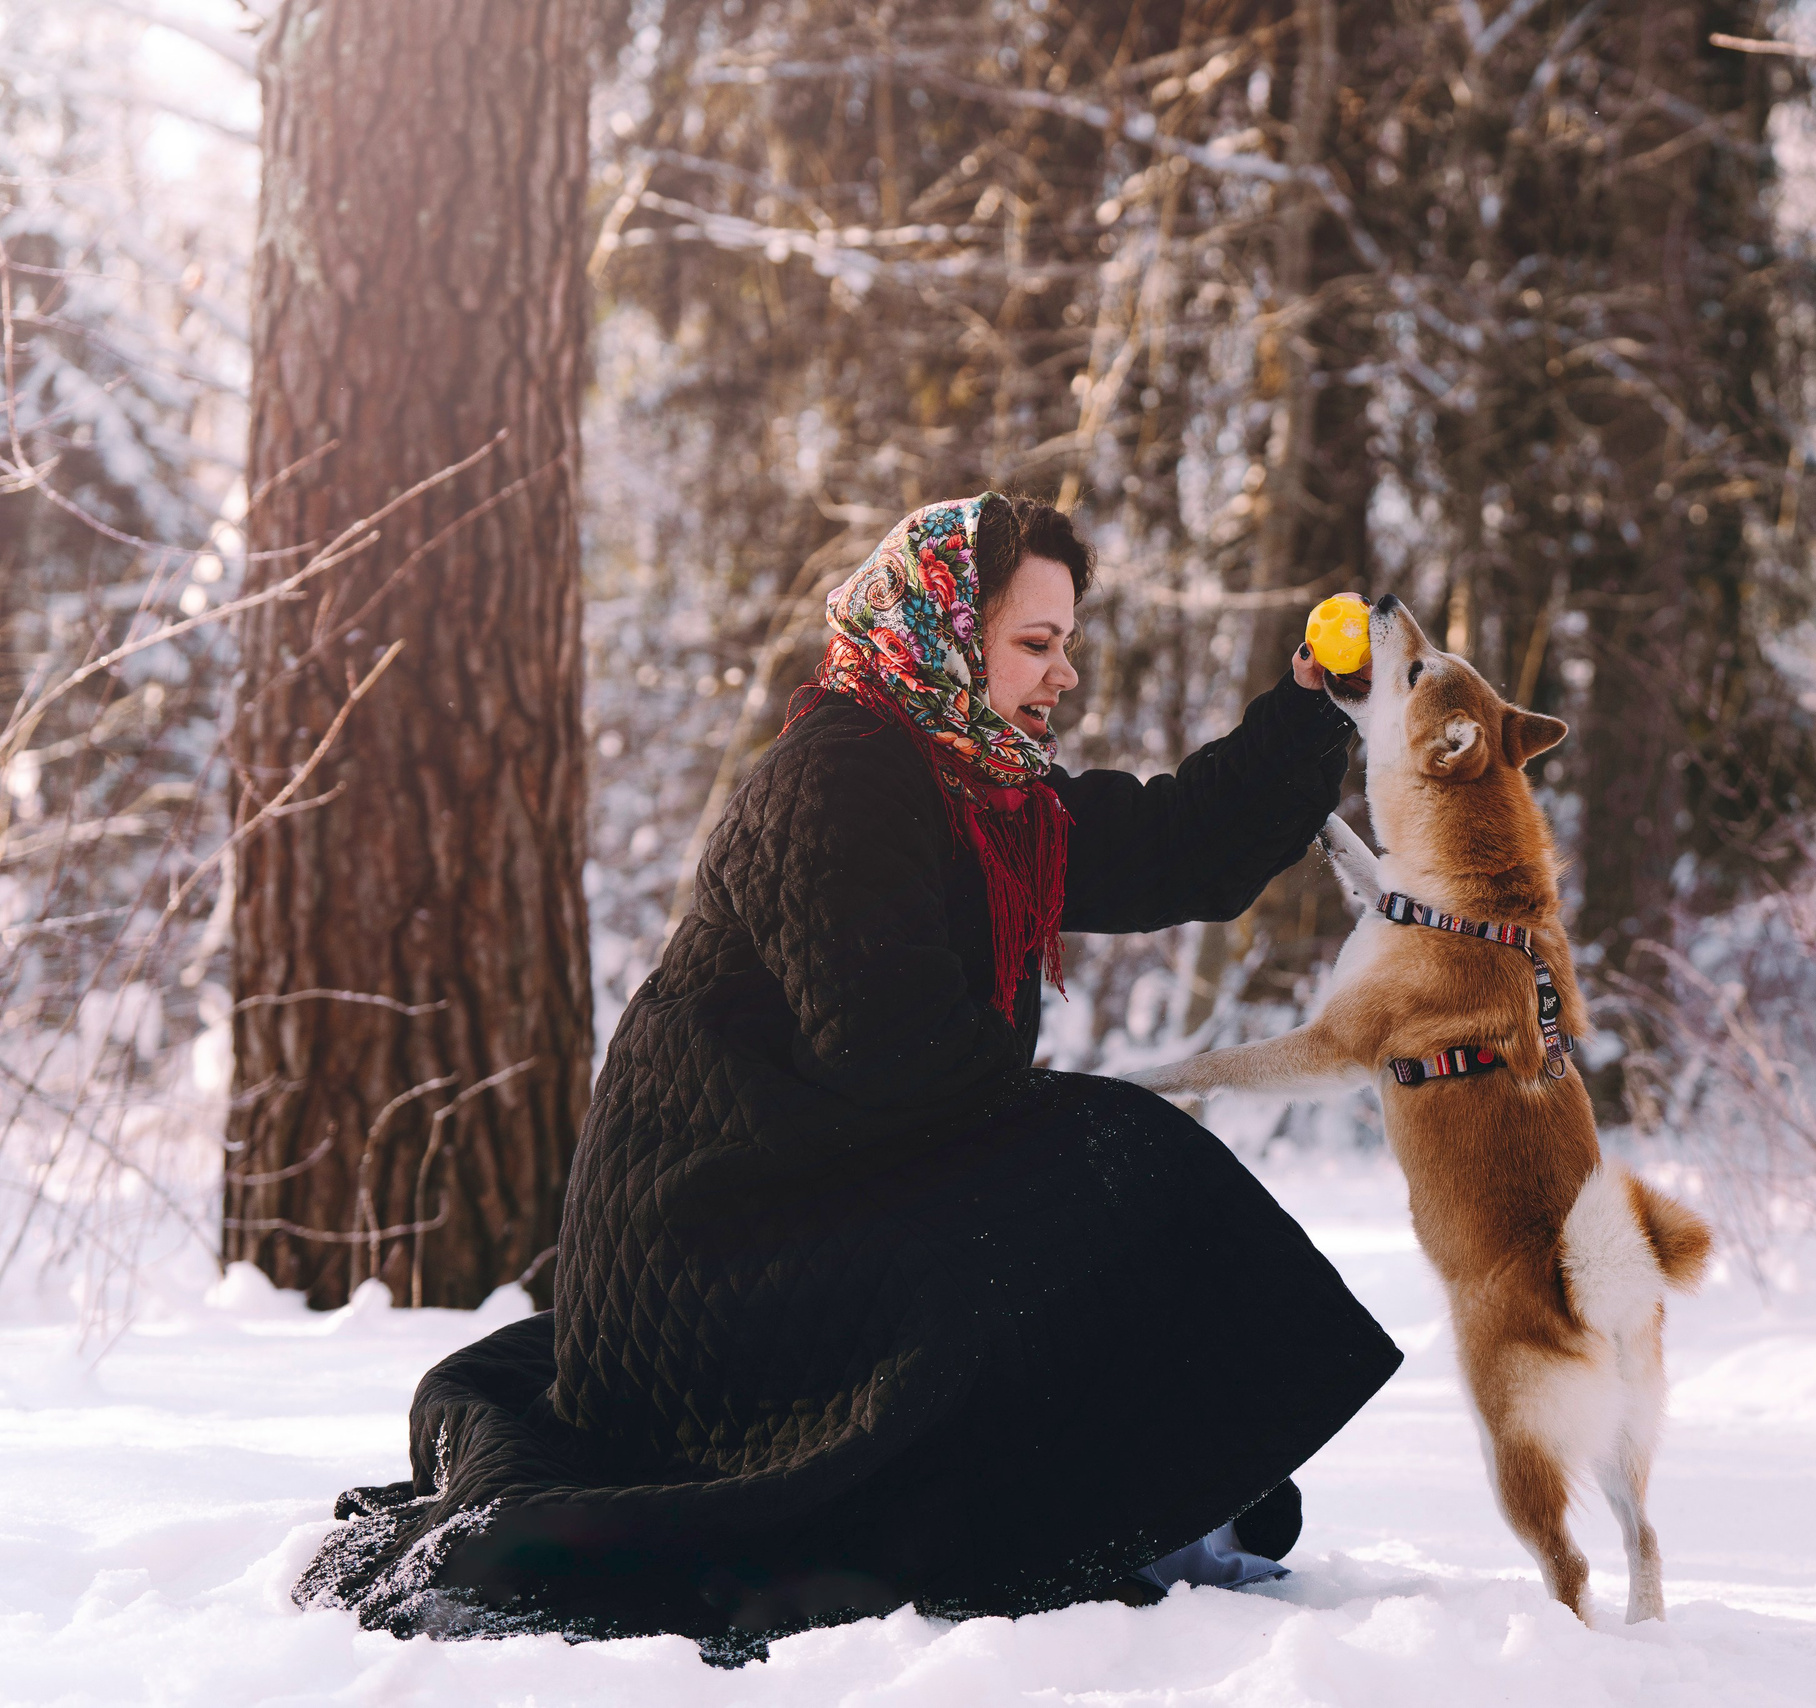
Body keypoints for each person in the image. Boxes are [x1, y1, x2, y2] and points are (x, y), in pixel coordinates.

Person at [296, 494, 1401, 1665]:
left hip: (817, 1191)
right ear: (942, 636)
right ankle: (1114, 1512)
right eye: (1035, 643)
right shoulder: (841, 775)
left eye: (1065, 642)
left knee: (1105, 1155)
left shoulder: (981, 790)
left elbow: (1180, 843)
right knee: (1108, 1157)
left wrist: (1308, 710)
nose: (1063, 673)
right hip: (715, 1230)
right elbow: (895, 1052)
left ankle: (1167, 1504)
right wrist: (1070, 1137)